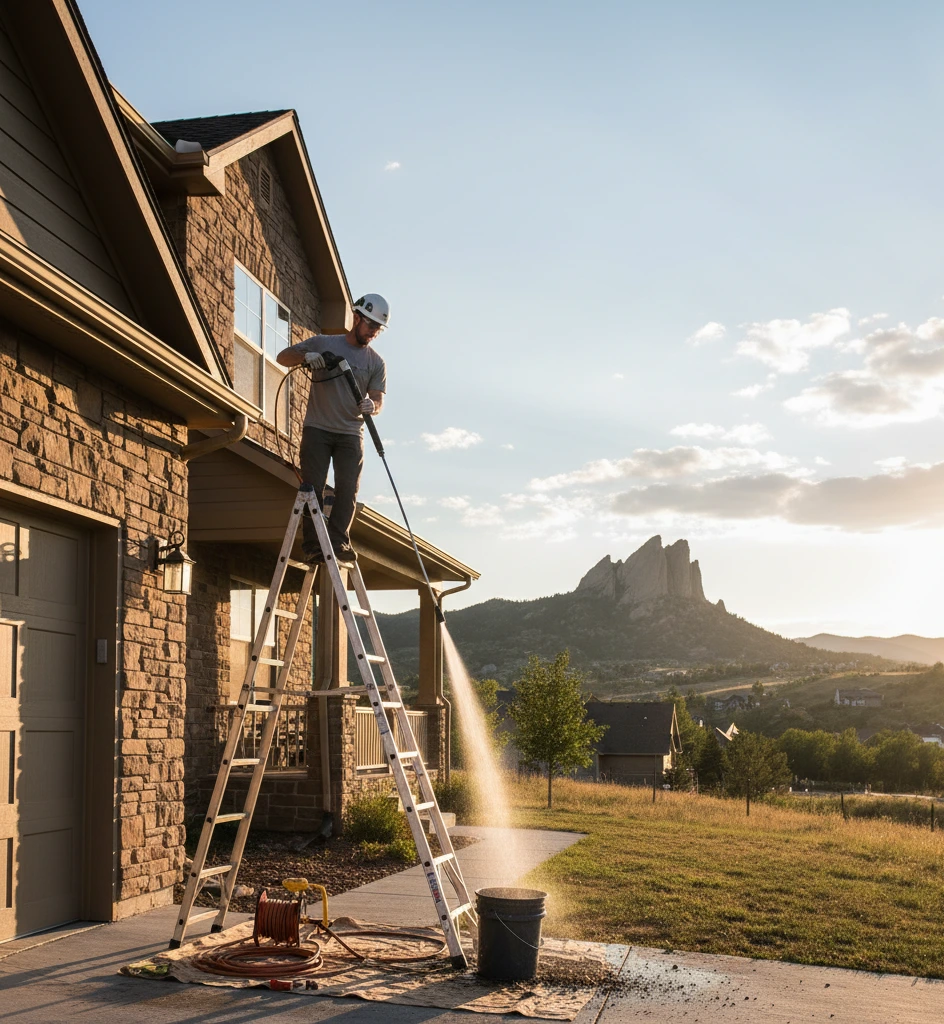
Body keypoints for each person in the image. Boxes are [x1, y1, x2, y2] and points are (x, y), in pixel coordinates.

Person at [276, 294, 389, 565]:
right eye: (370, 325)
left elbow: (378, 399)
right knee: (310, 490)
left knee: (348, 489)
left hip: (351, 434)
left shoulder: (376, 362)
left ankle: (338, 542)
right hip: (318, 429)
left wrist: (371, 405)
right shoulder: (324, 343)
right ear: (357, 318)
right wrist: (307, 355)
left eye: (378, 328)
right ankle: (314, 546)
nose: (373, 332)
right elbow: (283, 357)